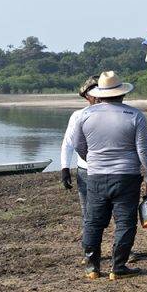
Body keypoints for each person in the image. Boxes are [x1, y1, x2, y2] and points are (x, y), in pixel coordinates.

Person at [72, 70, 147, 280]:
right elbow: (143, 149)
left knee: (93, 222)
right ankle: (118, 266)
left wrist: (93, 160)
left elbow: (78, 145)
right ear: (122, 93)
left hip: (96, 176)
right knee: (125, 222)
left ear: (100, 93)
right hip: (127, 176)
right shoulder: (134, 115)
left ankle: (92, 267)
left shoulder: (85, 115)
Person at [59, 75, 100, 248]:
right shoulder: (78, 116)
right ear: (87, 96)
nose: (97, 97)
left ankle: (121, 251)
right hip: (85, 172)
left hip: (110, 171)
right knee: (88, 213)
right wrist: (65, 168)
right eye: (93, 93)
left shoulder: (119, 114)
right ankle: (90, 251)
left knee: (115, 212)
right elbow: (68, 143)